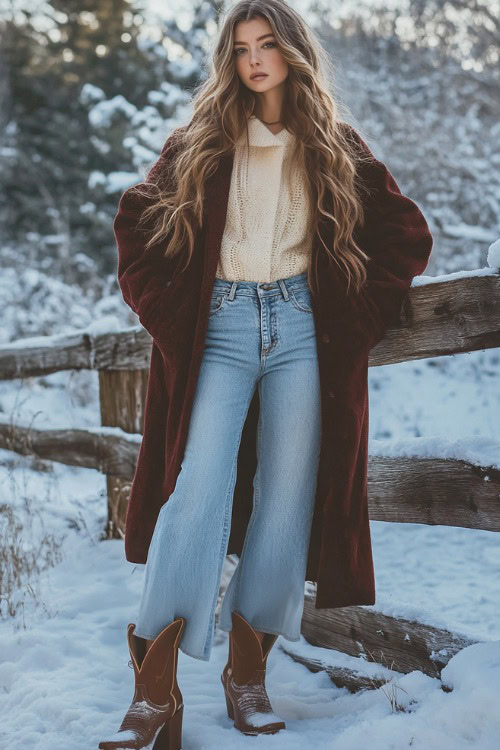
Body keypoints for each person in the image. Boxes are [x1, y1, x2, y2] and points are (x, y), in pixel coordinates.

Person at [98, 1, 434, 748]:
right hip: (219, 327)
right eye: (242, 48)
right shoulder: (202, 141)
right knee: (199, 488)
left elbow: (407, 234)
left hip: (299, 332)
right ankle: (154, 694)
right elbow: (135, 226)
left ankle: (247, 677)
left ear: (292, 53)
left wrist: (354, 315)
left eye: (267, 45)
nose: (254, 60)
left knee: (286, 498)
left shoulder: (334, 144)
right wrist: (170, 313)